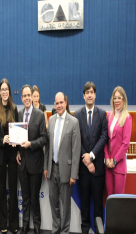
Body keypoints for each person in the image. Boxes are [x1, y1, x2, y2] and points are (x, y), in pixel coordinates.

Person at [44, 92, 81, 234]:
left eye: (61, 102)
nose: (59, 105)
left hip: (66, 171)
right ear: (54, 104)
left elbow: (76, 150)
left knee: (65, 206)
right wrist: (46, 167)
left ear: (65, 103)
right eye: (56, 103)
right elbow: (48, 147)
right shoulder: (51, 120)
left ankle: (65, 231)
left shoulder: (73, 122)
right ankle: (56, 230)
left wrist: (74, 174)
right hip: (52, 168)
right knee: (54, 203)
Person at [75, 82, 108, 234]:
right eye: (87, 92)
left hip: (98, 169)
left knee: (97, 203)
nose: (89, 95)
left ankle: (98, 229)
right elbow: (77, 140)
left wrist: (92, 156)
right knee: (85, 201)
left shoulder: (102, 114)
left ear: (95, 95)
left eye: (91, 92)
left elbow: (104, 137)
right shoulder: (77, 114)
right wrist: (87, 161)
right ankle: (85, 229)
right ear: (83, 95)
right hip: (83, 168)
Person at [16, 84, 48, 234]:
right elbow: (17, 138)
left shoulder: (40, 115)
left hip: (35, 164)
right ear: (21, 98)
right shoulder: (19, 114)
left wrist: (31, 144)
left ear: (32, 96)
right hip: (22, 164)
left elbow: (44, 138)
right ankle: (25, 226)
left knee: (35, 198)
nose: (27, 98)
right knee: (25, 198)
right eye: (25, 96)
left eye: (29, 95)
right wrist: (17, 151)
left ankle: (36, 226)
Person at [0, 79, 19, 234]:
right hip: (1, 157)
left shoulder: (14, 109)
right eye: (2, 89)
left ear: (9, 92)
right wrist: (2, 140)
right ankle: (3, 223)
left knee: (13, 190)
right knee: (2, 190)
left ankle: (14, 224)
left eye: (6, 89)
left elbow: (18, 131)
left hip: (12, 156)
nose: (4, 92)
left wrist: (16, 144)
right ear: (0, 92)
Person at [104, 86, 132, 196]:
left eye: (119, 98)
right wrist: (107, 158)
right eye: (114, 98)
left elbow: (125, 144)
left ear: (123, 100)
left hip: (118, 166)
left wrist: (114, 161)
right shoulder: (109, 116)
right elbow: (105, 139)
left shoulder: (127, 118)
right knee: (110, 198)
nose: (116, 101)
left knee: (118, 200)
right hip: (108, 166)